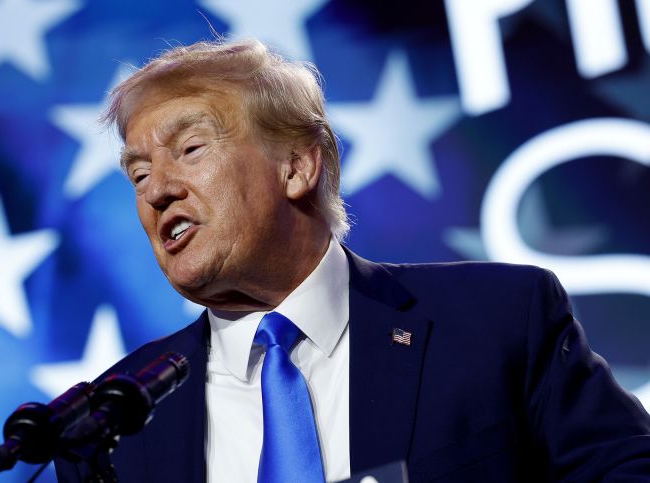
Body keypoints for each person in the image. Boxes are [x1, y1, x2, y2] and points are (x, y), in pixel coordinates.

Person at [55, 39, 650, 482]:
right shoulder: (113, 421)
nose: (157, 189)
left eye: (189, 149)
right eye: (138, 173)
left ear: (297, 166)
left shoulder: (497, 320)